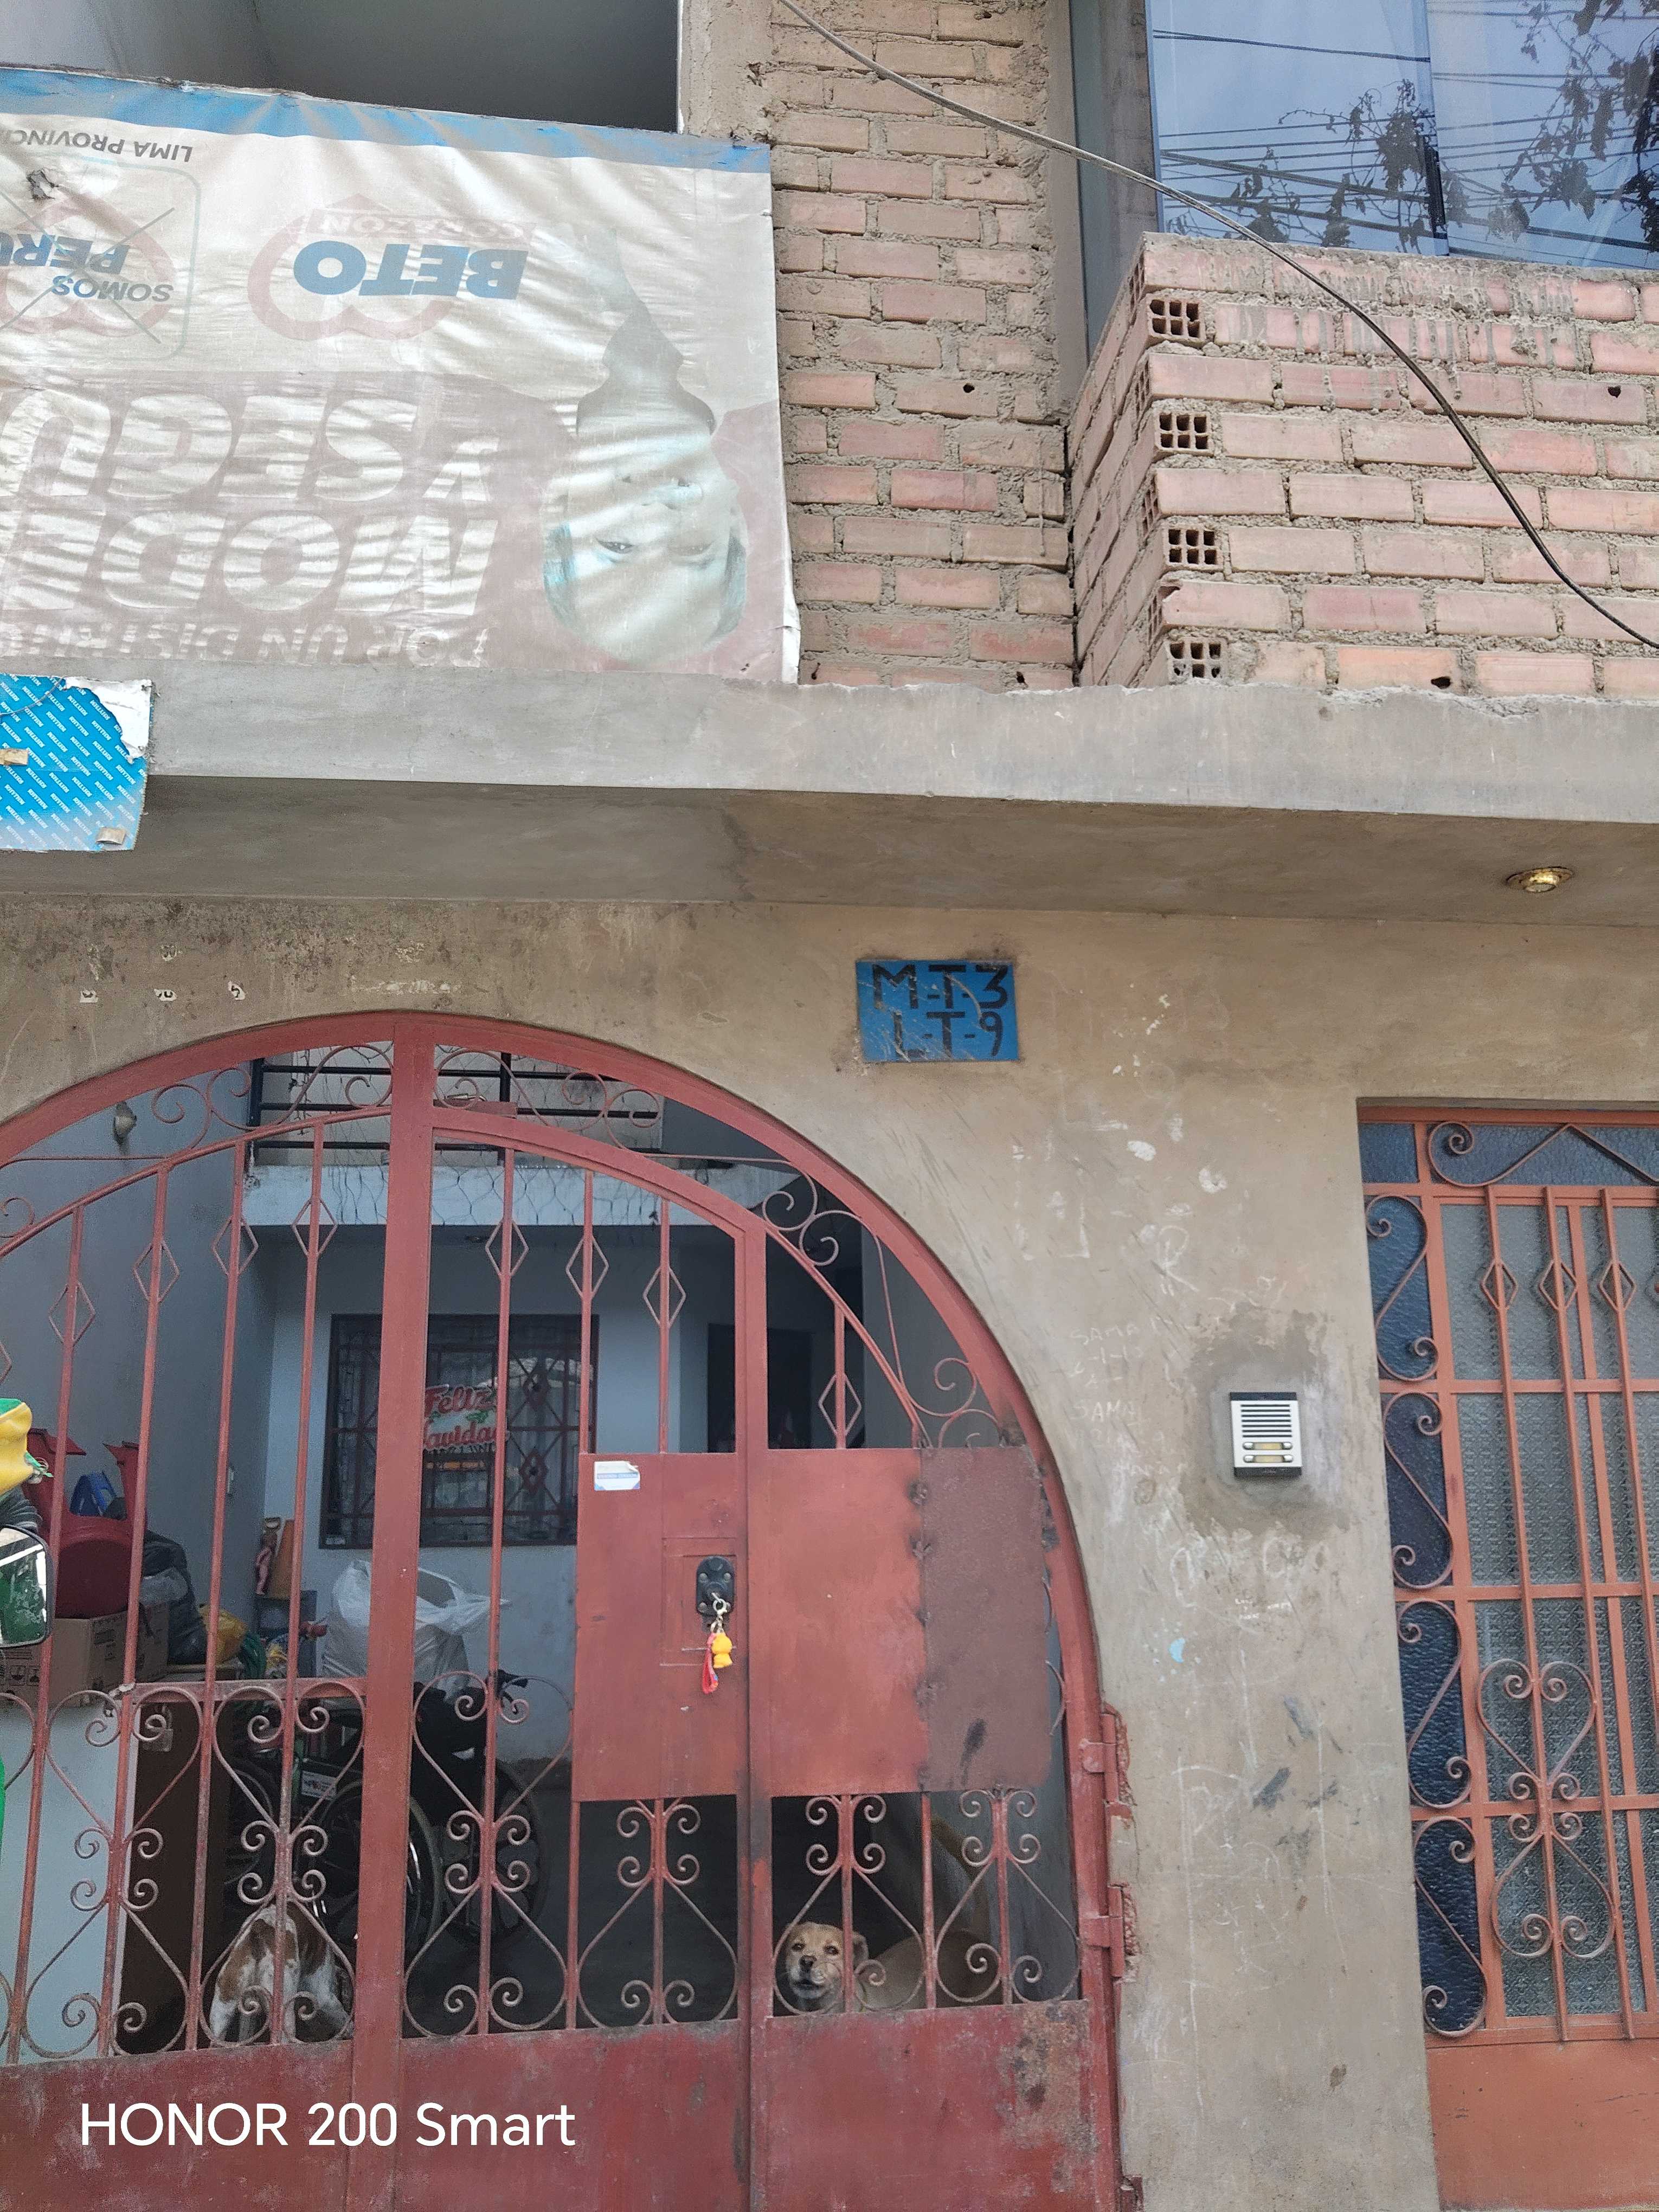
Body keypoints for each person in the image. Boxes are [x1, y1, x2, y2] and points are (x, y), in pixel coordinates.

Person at [541, 236, 748, 666]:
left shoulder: (498, 329)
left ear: (558, 506)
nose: (656, 514)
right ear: (733, 516)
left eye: (617, 545)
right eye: (692, 547)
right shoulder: (755, 334)